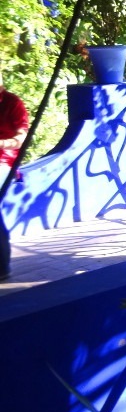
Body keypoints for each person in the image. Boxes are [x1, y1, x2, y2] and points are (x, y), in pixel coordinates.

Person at [0, 71, 29, 281]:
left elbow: (21, 138)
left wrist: (2, 144)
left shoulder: (12, 103)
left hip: (4, 162)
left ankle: (2, 264)